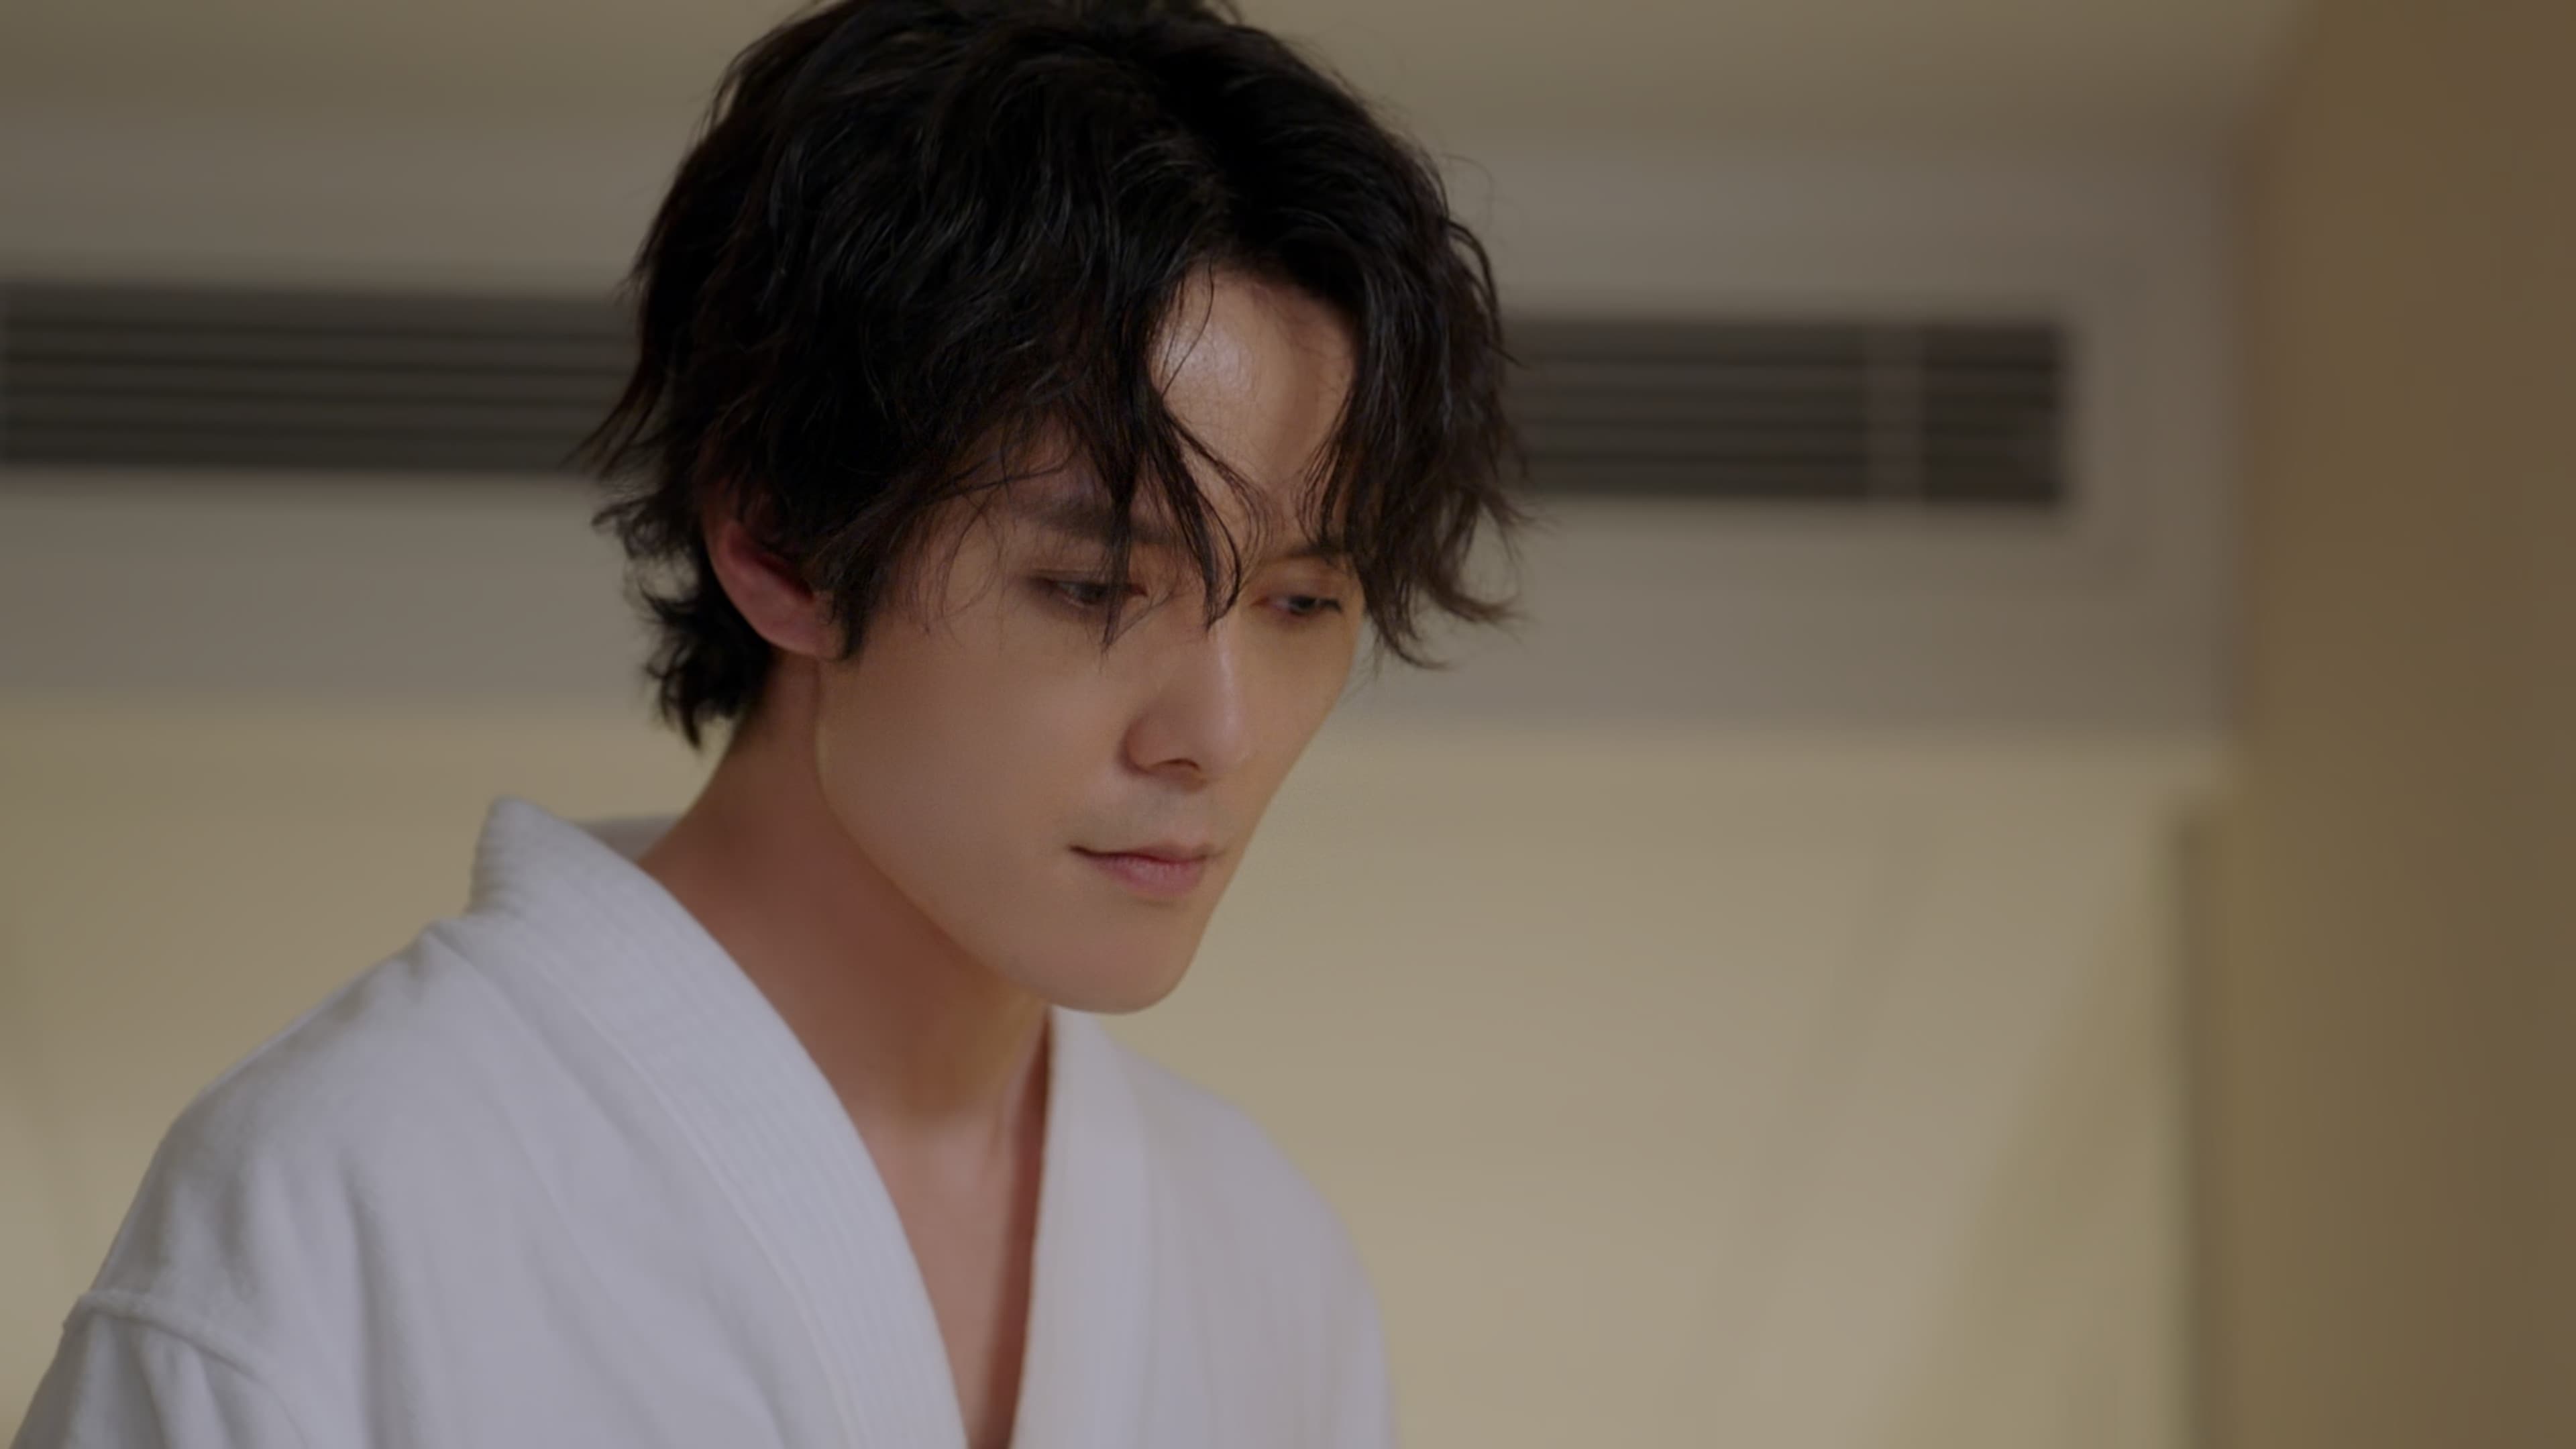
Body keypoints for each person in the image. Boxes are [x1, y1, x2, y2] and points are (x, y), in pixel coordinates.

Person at [14, 1, 1519, 1444]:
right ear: (785, 545)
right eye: (1092, 589)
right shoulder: (344, 1205)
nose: (1221, 733)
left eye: (1305, 604)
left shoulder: (1261, 1267)